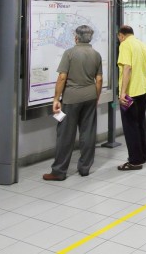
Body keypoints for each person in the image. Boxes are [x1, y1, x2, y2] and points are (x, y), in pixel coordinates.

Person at [44, 25, 103, 181]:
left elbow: (62, 77)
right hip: (90, 96)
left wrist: (56, 99)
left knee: (65, 135)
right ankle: (84, 168)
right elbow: (99, 80)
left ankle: (59, 171)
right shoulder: (96, 55)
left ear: (76, 38)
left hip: (71, 98)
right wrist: (95, 97)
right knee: (88, 133)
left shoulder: (69, 53)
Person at [117, 25, 146, 171]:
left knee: (130, 126)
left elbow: (127, 68)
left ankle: (134, 161)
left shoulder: (125, 45)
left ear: (121, 36)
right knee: (140, 124)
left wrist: (122, 93)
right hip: (143, 92)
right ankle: (142, 157)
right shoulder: (143, 45)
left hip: (130, 94)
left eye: (119, 38)